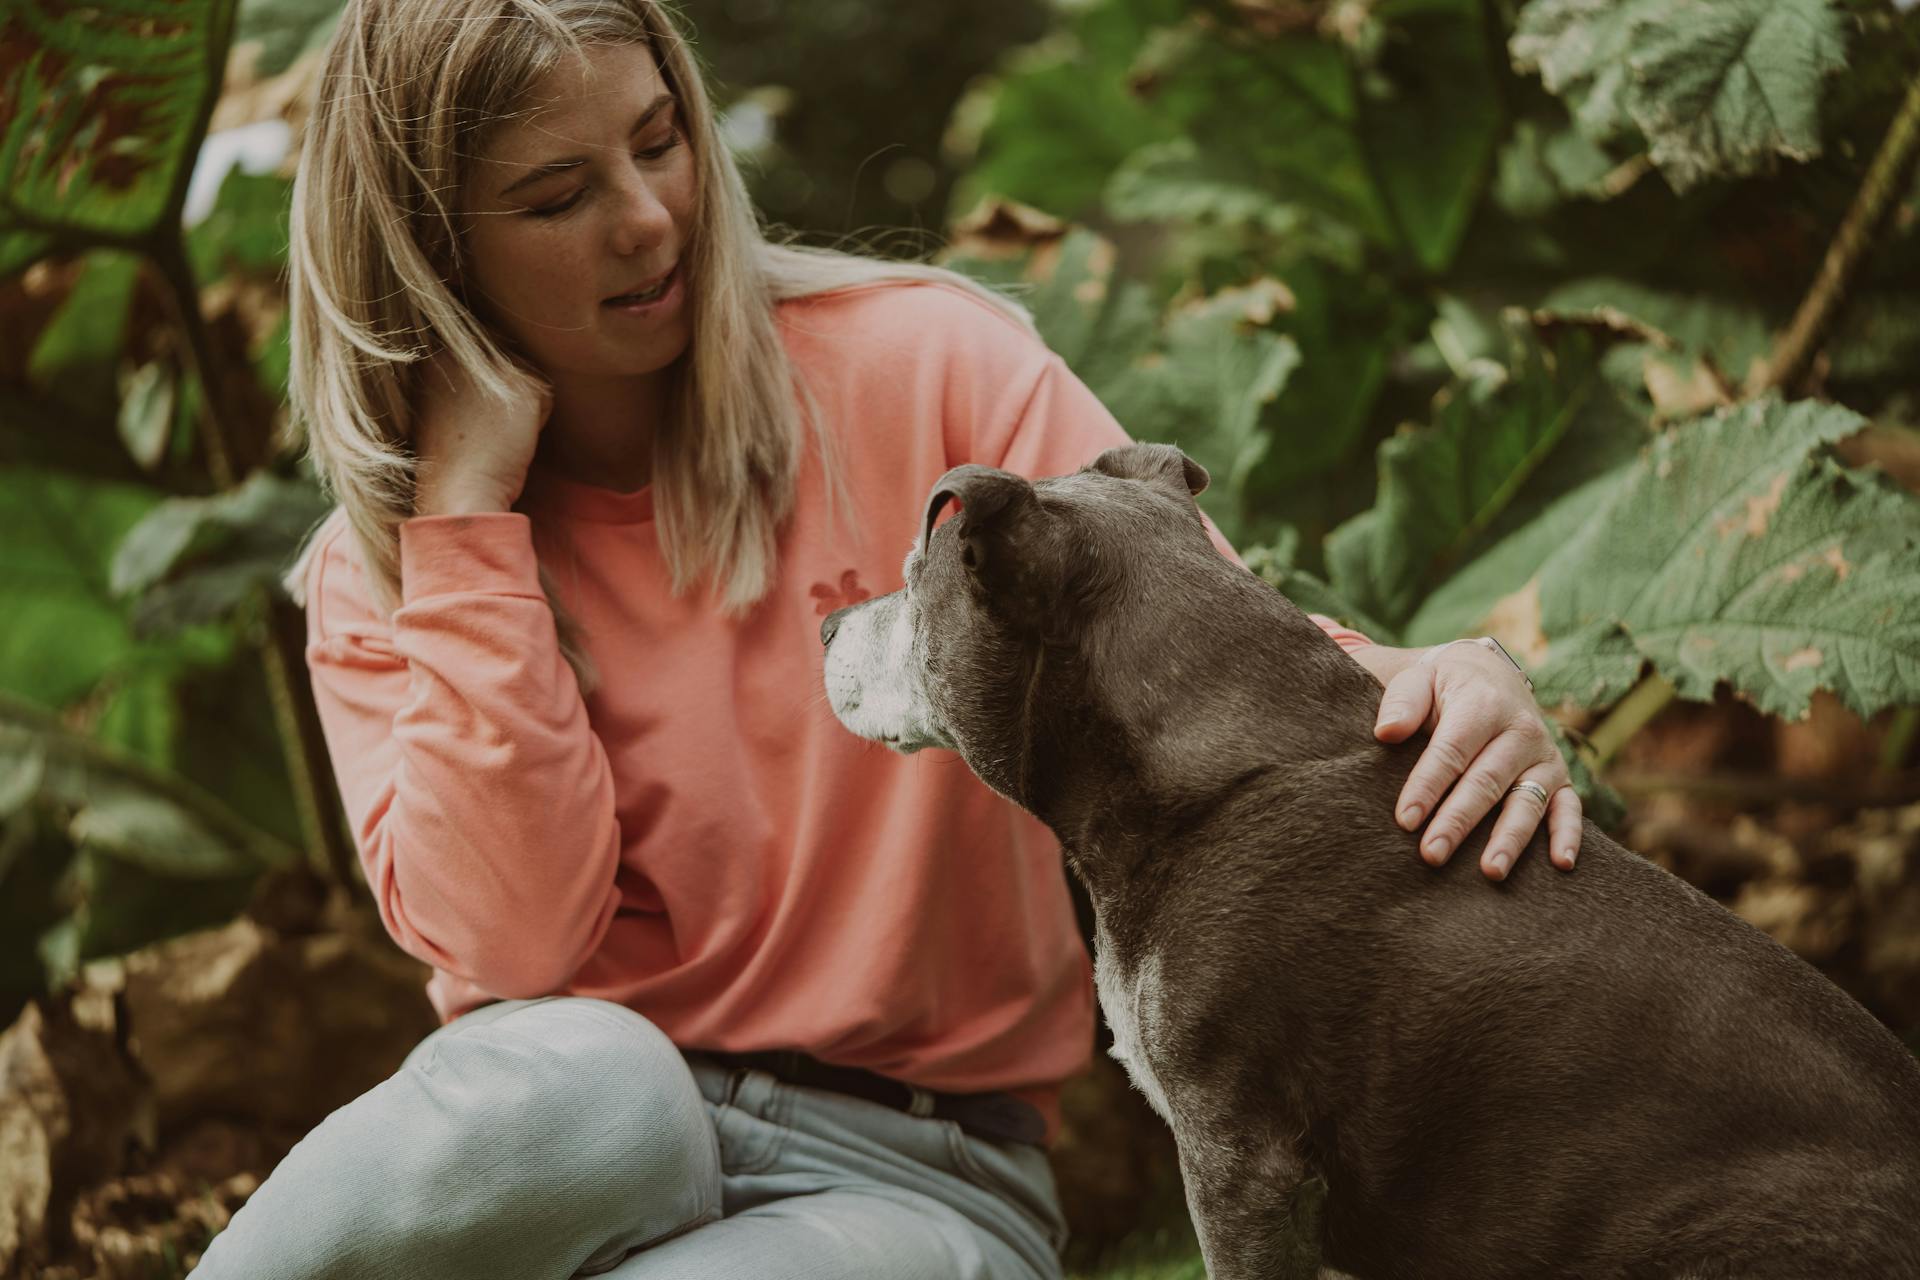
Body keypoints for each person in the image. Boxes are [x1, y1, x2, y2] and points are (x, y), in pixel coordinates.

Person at [190, 0, 1583, 1275]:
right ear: (432, 260)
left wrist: (1442, 680)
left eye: (661, 142)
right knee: (601, 1093)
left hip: (916, 1178)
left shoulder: (925, 373)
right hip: (571, 1138)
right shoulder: (390, 575)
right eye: (559, 197)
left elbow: (1208, 658)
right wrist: (468, 525)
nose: (648, 220)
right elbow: (518, 951)